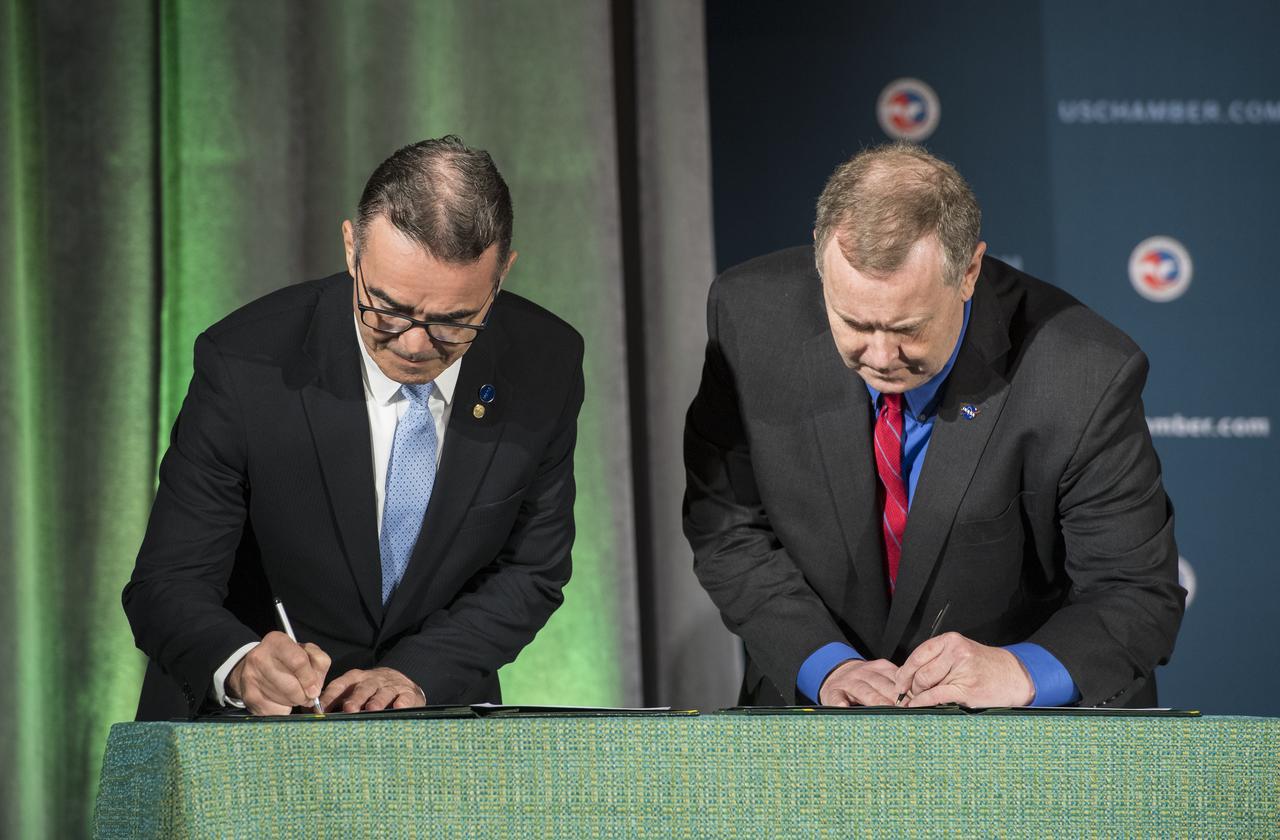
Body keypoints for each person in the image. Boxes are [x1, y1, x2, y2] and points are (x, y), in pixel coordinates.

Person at [683, 142, 1184, 709]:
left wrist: (1018, 671)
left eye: (908, 328)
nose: (879, 354)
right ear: (821, 267)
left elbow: (1135, 592)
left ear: (968, 271)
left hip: (1020, 742)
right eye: (853, 322)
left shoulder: (1083, 374)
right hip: (813, 717)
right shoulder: (749, 320)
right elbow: (726, 527)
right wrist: (824, 665)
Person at [124, 136, 583, 718]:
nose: (416, 345)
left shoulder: (546, 361)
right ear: (351, 250)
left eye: (455, 321)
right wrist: (239, 663)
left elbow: (531, 569)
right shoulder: (247, 363)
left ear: (501, 276)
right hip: (251, 740)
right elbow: (166, 584)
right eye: (387, 309)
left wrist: (416, 673)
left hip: (435, 728)